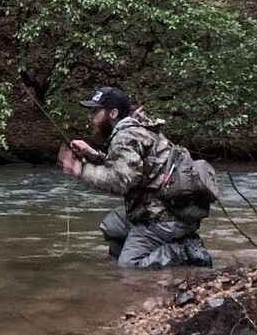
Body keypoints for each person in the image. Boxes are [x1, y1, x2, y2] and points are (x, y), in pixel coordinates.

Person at [57, 86, 213, 269]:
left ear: (113, 113)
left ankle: (184, 252)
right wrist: (93, 155)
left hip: (162, 218)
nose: (91, 118)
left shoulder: (125, 137)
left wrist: (80, 169)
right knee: (112, 226)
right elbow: (135, 169)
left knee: (130, 268)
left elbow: (120, 181)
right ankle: (160, 246)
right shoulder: (139, 129)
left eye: (95, 111)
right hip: (176, 211)